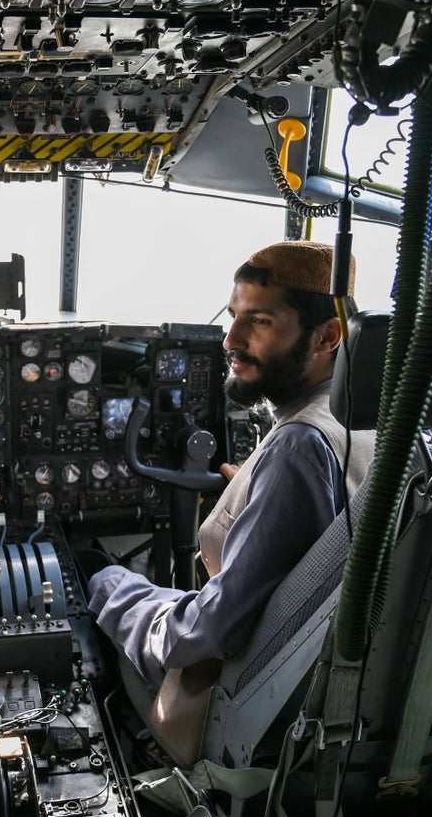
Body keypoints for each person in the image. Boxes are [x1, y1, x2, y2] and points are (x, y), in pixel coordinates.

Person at [87, 241, 377, 760]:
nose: (231, 339)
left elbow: (211, 631)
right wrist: (257, 487)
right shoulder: (378, 421)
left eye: (259, 321)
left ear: (328, 336)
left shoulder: (298, 447)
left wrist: (120, 600)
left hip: (250, 707)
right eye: (234, 315)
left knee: (100, 581)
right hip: (341, 700)